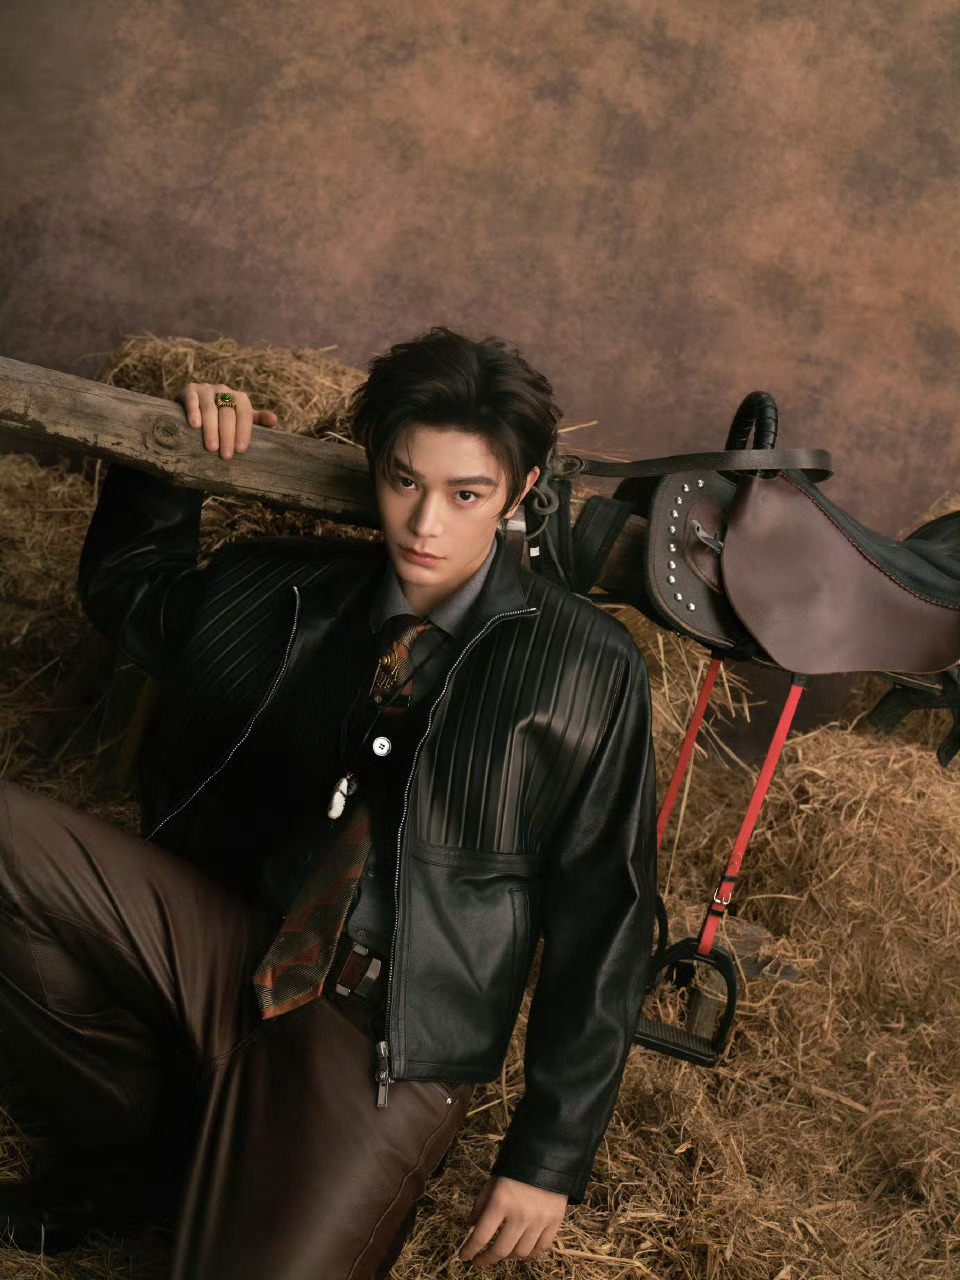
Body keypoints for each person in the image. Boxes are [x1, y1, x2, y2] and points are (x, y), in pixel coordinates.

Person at [0, 327, 657, 1278]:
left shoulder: (588, 665)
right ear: (372, 465)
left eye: (465, 495)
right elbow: (132, 594)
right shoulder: (297, 591)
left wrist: (547, 1157)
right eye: (403, 481)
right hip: (226, 949)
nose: (424, 524)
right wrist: (170, 459)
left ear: (519, 492)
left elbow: (609, 915)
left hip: (380, 1041)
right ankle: (132, 1148)